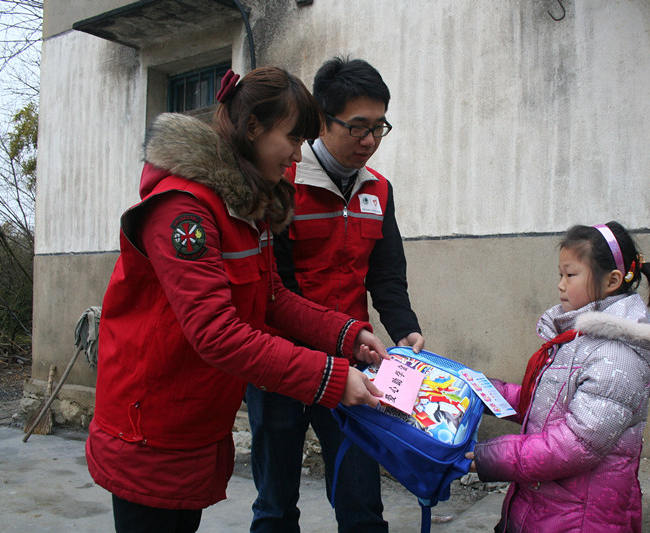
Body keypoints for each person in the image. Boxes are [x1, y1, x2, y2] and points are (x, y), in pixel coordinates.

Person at [85, 66, 389, 533]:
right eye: (292, 138)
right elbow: (216, 333)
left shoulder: (244, 207)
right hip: (149, 427)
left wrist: (348, 335)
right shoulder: (183, 208)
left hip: (198, 419)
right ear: (252, 128)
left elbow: (271, 298)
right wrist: (329, 376)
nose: (297, 154)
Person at [244, 57, 424, 533]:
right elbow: (275, 289)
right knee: (275, 502)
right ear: (322, 121)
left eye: (379, 127)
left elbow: (386, 275)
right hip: (281, 364)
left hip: (351, 364)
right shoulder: (281, 185)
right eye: (357, 127)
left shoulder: (379, 190)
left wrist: (405, 329)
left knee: (361, 500)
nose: (369, 140)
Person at [467, 221, 650, 533]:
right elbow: (542, 404)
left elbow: (576, 445)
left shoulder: (617, 358)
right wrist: (479, 391)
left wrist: (493, 458)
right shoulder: (580, 340)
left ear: (612, 280)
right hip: (545, 507)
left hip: (580, 519)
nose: (561, 285)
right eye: (560, 275)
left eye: (570, 275)